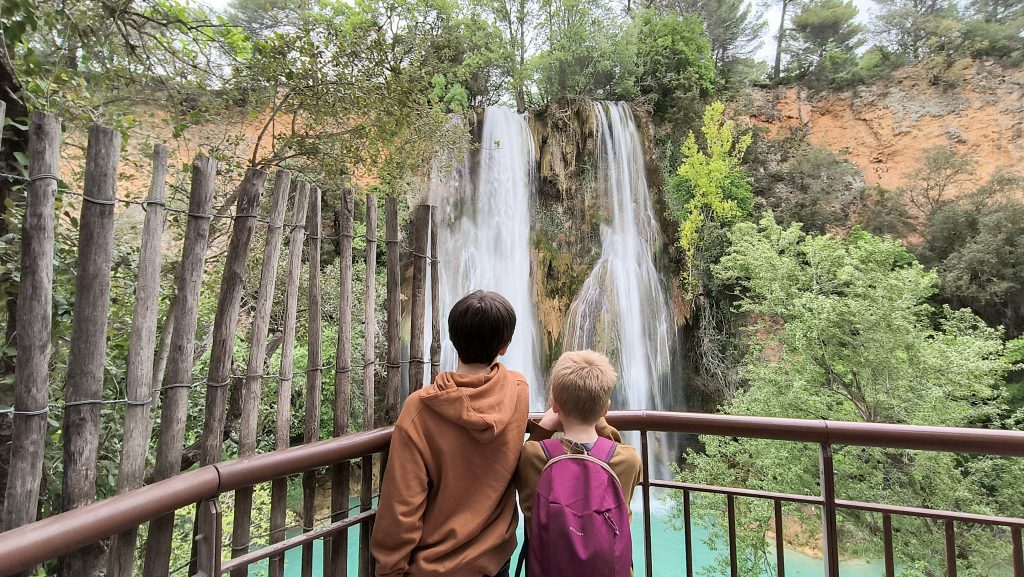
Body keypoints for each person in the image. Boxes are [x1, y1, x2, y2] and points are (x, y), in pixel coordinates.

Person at [371, 290, 530, 577]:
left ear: (452, 339)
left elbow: (402, 505)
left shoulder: (420, 410)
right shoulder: (518, 390)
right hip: (496, 560)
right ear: (504, 347)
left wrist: (389, 570)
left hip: (437, 568)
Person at [515, 350, 642, 576]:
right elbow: (612, 446)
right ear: (605, 409)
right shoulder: (628, 459)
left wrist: (544, 427)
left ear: (555, 403)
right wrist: (601, 423)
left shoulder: (533, 456)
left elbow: (528, 450)